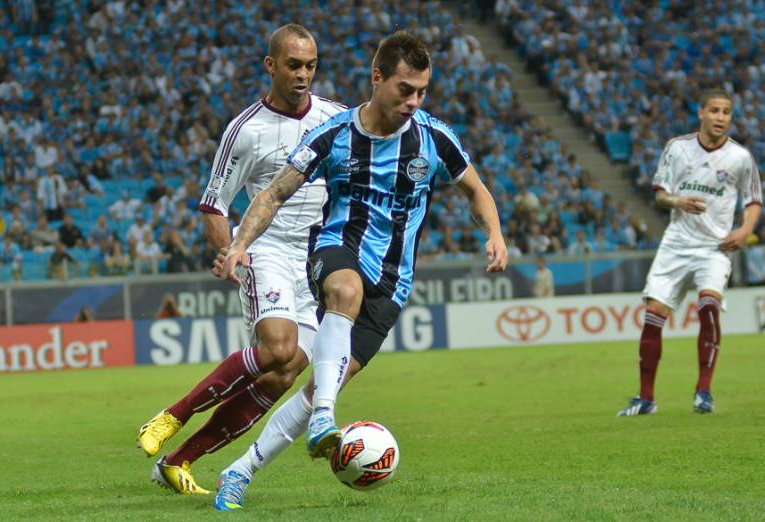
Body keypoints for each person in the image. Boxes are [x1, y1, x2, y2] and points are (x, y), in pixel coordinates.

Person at [216, 31, 508, 510]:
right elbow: (272, 194)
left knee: (316, 387)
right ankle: (325, 417)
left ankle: (240, 470)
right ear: (377, 79)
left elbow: (476, 191)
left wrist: (494, 233)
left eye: (422, 92)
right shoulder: (333, 136)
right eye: (404, 89)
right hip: (336, 248)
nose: (414, 101)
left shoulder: (433, 138)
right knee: (344, 292)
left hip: (393, 282)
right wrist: (239, 245)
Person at [136, 23, 346, 498]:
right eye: (293, 65)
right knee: (276, 348)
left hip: (318, 260)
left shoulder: (336, 118)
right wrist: (230, 252)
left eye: (311, 65)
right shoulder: (246, 129)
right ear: (271, 65)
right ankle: (174, 415)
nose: (303, 74)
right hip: (266, 250)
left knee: (287, 371)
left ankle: (178, 461)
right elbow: (216, 201)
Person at [617, 88, 762, 417]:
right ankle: (646, 399)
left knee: (708, 305)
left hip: (715, 246)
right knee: (654, 315)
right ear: (701, 113)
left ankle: (703, 392)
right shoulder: (678, 148)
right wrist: (678, 201)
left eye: (726, 112)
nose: (721, 118)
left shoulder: (741, 158)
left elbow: (753, 200)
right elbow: (659, 195)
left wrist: (745, 229)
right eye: (715, 111)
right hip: (677, 243)